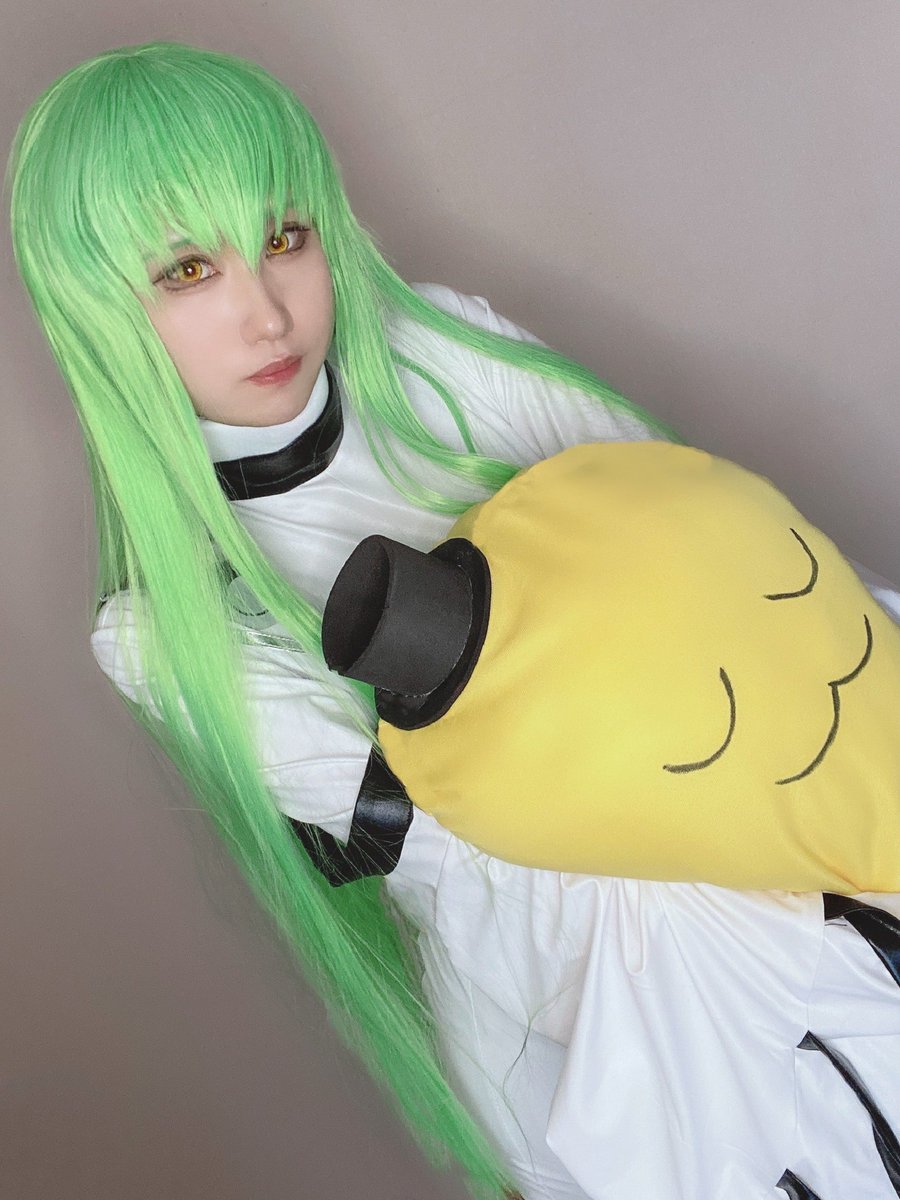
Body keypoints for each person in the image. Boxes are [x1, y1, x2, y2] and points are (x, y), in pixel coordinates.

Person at [7, 40, 900, 1200]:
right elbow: (486, 850)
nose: (265, 314)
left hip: (798, 799)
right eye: (188, 270)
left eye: (284, 237)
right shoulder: (163, 632)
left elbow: (726, 560)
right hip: (589, 1002)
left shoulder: (442, 354)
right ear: (93, 304)